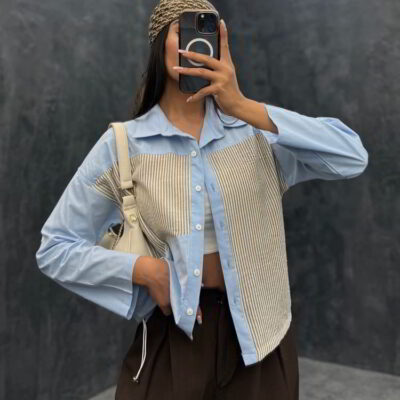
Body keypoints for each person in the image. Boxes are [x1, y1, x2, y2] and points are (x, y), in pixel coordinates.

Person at [35, 0, 369, 399]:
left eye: (207, 33)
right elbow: (55, 247)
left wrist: (241, 105)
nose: (196, 45)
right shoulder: (124, 144)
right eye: (184, 32)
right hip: (176, 332)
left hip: (262, 337)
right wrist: (145, 271)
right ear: (160, 45)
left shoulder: (256, 132)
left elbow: (351, 157)